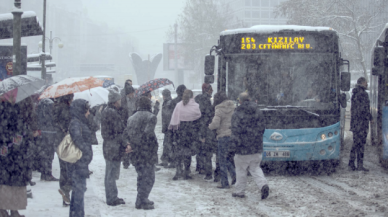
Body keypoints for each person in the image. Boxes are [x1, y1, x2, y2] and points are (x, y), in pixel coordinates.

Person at [0, 97, 38, 217]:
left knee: (10, 183)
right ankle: (8, 209)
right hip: (12, 154)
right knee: (9, 183)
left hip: (13, 154)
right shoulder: (11, 109)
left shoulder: (15, 108)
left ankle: (9, 209)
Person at [230, 92, 269, 199]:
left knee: (241, 170)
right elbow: (262, 128)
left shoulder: (237, 113)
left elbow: (235, 130)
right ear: (250, 99)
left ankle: (240, 191)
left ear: (240, 101)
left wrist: (234, 145)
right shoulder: (258, 111)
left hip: (242, 148)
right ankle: (263, 185)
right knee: (255, 168)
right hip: (256, 147)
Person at [125, 96, 158, 210]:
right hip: (146, 151)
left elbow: (127, 134)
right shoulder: (151, 117)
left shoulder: (131, 118)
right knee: (149, 177)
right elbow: (148, 134)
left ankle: (140, 199)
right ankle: (142, 200)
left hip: (135, 152)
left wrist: (131, 145)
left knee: (141, 176)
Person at [101, 90, 128, 206]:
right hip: (113, 146)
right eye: (119, 99)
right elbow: (119, 131)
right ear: (116, 101)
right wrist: (125, 144)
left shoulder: (106, 111)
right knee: (111, 173)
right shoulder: (113, 113)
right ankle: (112, 197)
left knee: (109, 172)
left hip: (108, 145)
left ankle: (111, 195)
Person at [68, 99, 94, 217]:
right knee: (79, 191)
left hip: (80, 162)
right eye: (86, 110)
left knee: (78, 191)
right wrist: (86, 150)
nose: (88, 113)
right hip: (78, 162)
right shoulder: (76, 123)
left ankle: (76, 214)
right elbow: (77, 139)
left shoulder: (79, 121)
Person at [169, 89, 201, 180]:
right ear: (192, 96)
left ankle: (178, 170)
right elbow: (198, 116)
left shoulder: (179, 105)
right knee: (188, 152)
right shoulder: (196, 106)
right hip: (191, 131)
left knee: (179, 152)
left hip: (180, 130)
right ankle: (187, 172)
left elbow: (174, 117)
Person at [208, 91, 236, 189]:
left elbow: (215, 123)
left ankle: (225, 183)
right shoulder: (233, 107)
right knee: (227, 157)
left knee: (222, 159)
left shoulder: (219, 109)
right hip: (232, 135)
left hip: (223, 136)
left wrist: (209, 127)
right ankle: (233, 174)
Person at [54, 94, 74, 207]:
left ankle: (64, 191)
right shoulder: (66, 109)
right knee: (69, 168)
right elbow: (68, 125)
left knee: (63, 168)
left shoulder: (56, 107)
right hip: (65, 141)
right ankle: (66, 191)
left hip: (58, 141)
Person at [349, 77, 372, 172]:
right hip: (361, 123)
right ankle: (359, 165)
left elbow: (356, 109)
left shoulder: (355, 93)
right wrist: (370, 118)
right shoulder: (363, 94)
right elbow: (364, 109)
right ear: (362, 83)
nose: (367, 84)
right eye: (366, 82)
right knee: (361, 144)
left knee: (355, 144)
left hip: (355, 123)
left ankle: (351, 163)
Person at [195, 83, 216, 181]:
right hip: (205, 128)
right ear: (206, 90)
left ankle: (200, 167)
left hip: (200, 127)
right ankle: (207, 171)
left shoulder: (199, 98)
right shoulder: (206, 100)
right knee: (207, 152)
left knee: (201, 149)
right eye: (210, 89)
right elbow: (206, 116)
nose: (212, 90)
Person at [36, 98, 59, 181]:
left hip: (43, 133)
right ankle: (47, 174)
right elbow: (52, 120)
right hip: (49, 134)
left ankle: (44, 174)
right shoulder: (48, 105)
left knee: (45, 155)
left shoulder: (40, 106)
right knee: (49, 155)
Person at [159, 89, 175, 168]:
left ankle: (170, 161)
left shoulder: (168, 103)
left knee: (168, 144)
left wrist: (166, 127)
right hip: (169, 127)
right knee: (166, 144)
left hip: (169, 127)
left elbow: (167, 116)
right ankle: (165, 160)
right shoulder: (168, 102)